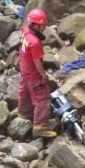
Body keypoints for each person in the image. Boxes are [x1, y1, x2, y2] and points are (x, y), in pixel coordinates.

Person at [18, 8, 57, 138]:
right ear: (35, 24)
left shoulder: (26, 31)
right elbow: (37, 62)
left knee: (25, 90)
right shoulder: (34, 43)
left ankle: (24, 112)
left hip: (24, 68)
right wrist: (43, 76)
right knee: (42, 97)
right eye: (42, 25)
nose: (44, 27)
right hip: (33, 71)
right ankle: (40, 126)